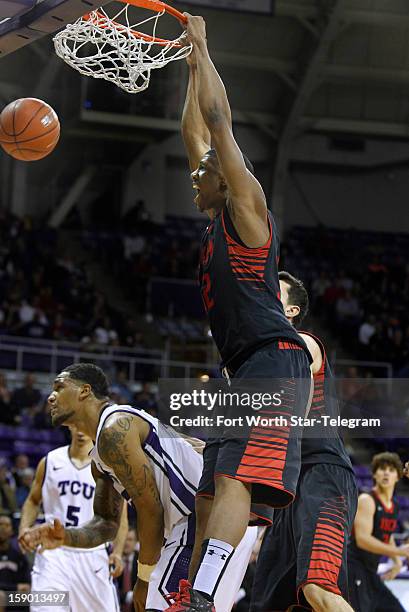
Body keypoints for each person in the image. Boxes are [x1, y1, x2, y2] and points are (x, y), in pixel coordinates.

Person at [168, 13, 312, 611]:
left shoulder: (245, 207)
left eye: (204, 172)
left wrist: (204, 43)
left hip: (274, 361)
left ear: (223, 180)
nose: (193, 175)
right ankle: (191, 593)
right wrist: (189, 65)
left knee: (233, 482)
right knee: (210, 492)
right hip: (243, 370)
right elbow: (194, 135)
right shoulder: (215, 210)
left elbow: (217, 127)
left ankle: (203, 597)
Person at [19, 364, 257, 612]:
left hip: (203, 519)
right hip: (220, 522)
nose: (51, 396)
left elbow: (151, 510)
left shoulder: (116, 428)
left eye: (59, 387)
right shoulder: (101, 457)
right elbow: (106, 524)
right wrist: (65, 537)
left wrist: (143, 578)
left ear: (84, 391)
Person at [251, 272, 359, 612]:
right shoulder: (261, 356)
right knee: (270, 604)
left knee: (319, 588)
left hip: (324, 477)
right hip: (288, 490)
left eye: (275, 291)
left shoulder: (302, 341)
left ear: (292, 310)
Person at [19, 425, 126, 612]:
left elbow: (119, 517)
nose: (81, 431)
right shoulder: (51, 461)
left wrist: (117, 552)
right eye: (76, 425)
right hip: (53, 553)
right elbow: (32, 501)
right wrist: (24, 529)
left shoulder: (107, 468)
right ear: (69, 426)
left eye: (86, 425)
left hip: (92, 554)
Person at [348, 452, 409, 612]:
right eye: (382, 469)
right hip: (353, 568)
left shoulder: (394, 505)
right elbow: (363, 539)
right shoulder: (367, 500)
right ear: (375, 474)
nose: (386, 473)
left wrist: (397, 561)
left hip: (370, 571)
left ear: (398, 476)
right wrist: (400, 552)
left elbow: (385, 535)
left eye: (391, 469)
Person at [0, 514, 30, 612]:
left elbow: (26, 584)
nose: (3, 528)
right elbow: (19, 586)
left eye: (7, 525)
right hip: (2, 595)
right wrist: (15, 587)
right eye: (0, 524)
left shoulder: (19, 556)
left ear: (12, 531)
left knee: (46, 598)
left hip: (13, 597)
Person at [117, 528, 138, 612]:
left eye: (130, 539)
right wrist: (127, 596)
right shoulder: (111, 560)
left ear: (136, 542)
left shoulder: (142, 561)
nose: (126, 543)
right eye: (124, 539)